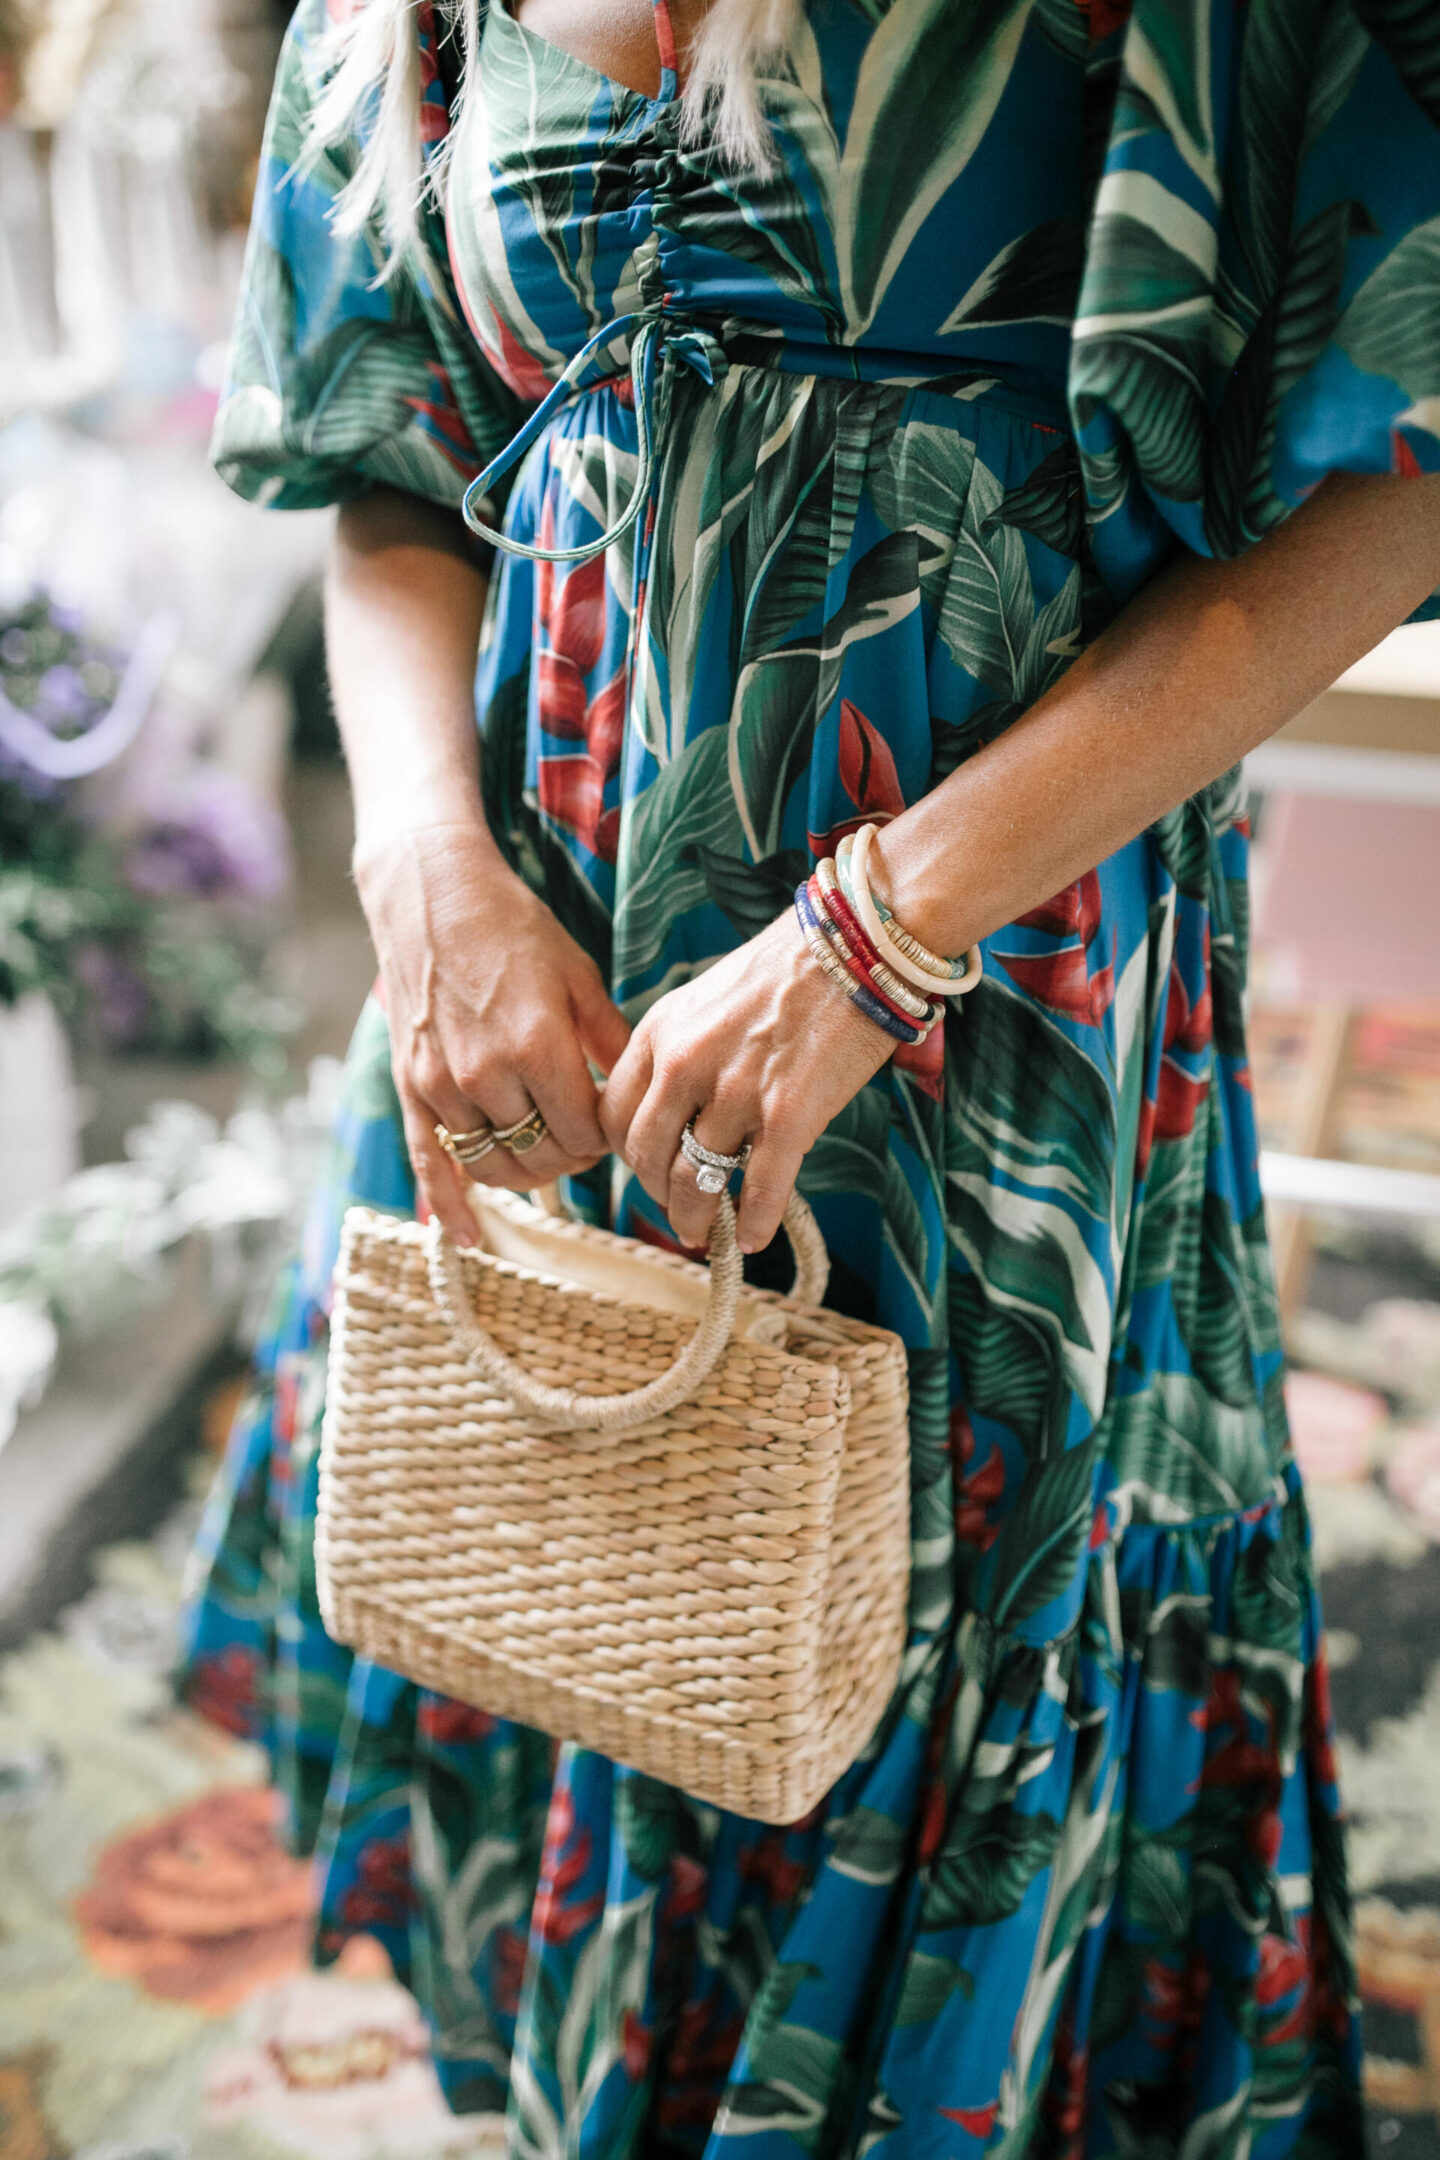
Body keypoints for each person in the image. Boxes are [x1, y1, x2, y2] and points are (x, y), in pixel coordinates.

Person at [182, 0, 1440, 2149]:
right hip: (531, 954)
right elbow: (388, 465)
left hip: (986, 994)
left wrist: (877, 935)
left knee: (897, 1659)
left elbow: (1401, 479)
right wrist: (421, 870)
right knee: (576, 1578)